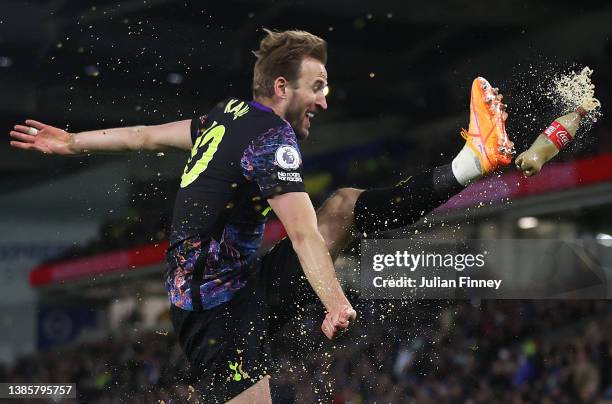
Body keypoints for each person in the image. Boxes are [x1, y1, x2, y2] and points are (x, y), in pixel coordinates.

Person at [9, 29, 513, 403]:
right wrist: (335, 303)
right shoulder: (271, 140)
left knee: (343, 207)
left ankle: (471, 162)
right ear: (281, 86)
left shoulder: (226, 115)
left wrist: (75, 142)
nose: (325, 98)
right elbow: (300, 234)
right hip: (216, 319)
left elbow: (144, 134)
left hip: (241, 288)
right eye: (316, 85)